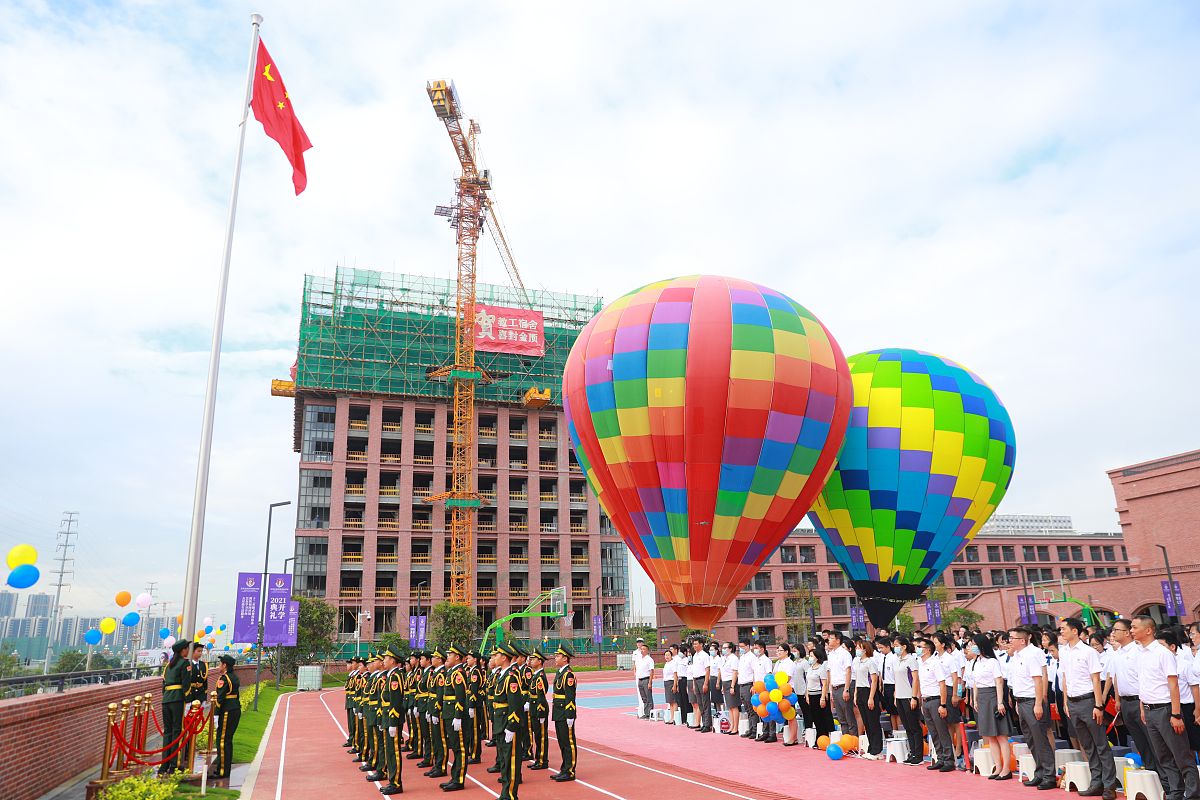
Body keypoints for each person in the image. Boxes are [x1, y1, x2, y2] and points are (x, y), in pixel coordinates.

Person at [1132, 615, 1200, 800]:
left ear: (1148, 630)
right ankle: (1176, 792)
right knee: (1163, 756)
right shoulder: (1140, 654)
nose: (1131, 630)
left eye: (1134, 627)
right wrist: (1142, 708)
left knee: (1182, 755)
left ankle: (1193, 794)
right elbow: (1143, 684)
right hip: (1149, 710)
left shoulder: (1163, 653)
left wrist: (1176, 714)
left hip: (1166, 710)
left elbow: (1173, 685)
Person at [1058, 618, 1117, 799]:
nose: (1061, 632)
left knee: (1100, 744)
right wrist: (1066, 702)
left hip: (1088, 701)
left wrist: (1099, 705)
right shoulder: (1064, 651)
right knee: (1087, 745)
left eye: (1063, 629)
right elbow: (1065, 677)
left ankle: (1109, 786)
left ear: (1075, 631)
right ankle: (1096, 782)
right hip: (1072, 703)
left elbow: (1095, 679)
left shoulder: (1088, 652)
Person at [1007, 627, 1055, 790]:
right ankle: (1040, 773)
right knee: (1031, 739)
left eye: (1012, 638)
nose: (1009, 641)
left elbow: (1038, 681)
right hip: (1021, 701)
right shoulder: (1017, 655)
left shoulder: (1032, 653)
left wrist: (1038, 703)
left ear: (1022, 640)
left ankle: (1049, 775)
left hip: (1032, 701)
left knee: (1040, 739)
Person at [966, 634, 1012, 780]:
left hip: (993, 696)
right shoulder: (976, 662)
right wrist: (975, 699)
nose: (971, 647)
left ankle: (1006, 768)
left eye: (973, 644)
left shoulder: (992, 661)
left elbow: (999, 681)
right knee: (990, 736)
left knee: (1001, 735)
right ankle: (997, 766)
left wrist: (999, 702)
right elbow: (975, 682)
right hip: (982, 698)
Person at [913, 637, 954, 772]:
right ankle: (940, 758)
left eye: (920, 647)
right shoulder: (920, 663)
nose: (918, 649)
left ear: (928, 649)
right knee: (933, 732)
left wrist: (943, 704)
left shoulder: (935, 663)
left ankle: (949, 760)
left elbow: (942, 684)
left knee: (942, 731)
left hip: (936, 700)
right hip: (925, 700)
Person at [493, 644, 528, 799]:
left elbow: (515, 704)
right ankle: (505, 793)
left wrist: (512, 726)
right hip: (501, 723)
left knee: (511, 761)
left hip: (508, 724)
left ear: (504, 658)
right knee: (504, 762)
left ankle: (511, 795)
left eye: (497, 655)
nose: (494, 658)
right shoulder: (503, 675)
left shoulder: (511, 677)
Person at [160, 639, 193, 774]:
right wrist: (188, 699)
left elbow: (163, 684)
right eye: (187, 648)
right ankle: (174, 764)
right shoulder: (185, 664)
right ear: (182, 650)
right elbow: (186, 684)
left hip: (166, 699)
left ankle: (164, 764)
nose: (188, 651)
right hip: (178, 699)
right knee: (177, 731)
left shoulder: (168, 665)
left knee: (167, 732)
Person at [891, 636, 923, 765]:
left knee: (914, 726)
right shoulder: (897, 660)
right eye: (894, 645)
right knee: (907, 727)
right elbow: (896, 680)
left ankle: (918, 755)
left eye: (897, 645)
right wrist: (895, 695)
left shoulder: (911, 660)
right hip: (899, 696)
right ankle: (912, 753)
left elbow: (915, 679)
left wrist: (914, 696)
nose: (895, 648)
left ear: (904, 646)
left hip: (909, 696)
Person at [209, 654, 240, 780]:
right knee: (228, 741)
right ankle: (225, 769)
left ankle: (222, 771)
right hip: (235, 709)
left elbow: (219, 698)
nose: (218, 666)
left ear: (225, 665)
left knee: (222, 741)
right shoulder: (234, 677)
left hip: (226, 711)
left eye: (220, 664)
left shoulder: (224, 678)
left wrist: (216, 714)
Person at [379, 645, 405, 795]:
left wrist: (393, 722)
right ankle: (392, 780)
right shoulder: (391, 675)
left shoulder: (395, 676)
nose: (384, 661)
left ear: (393, 661)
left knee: (394, 751)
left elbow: (395, 701)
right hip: (388, 717)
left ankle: (396, 783)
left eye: (386, 658)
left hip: (392, 718)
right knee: (390, 751)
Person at [551, 643, 577, 783]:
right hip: (558, 712)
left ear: (565, 659)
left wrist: (570, 715)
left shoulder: (568, 675)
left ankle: (570, 770)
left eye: (558, 656)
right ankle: (564, 768)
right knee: (562, 741)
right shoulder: (560, 673)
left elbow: (570, 696)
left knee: (568, 742)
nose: (556, 658)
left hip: (566, 713)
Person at [852, 638, 883, 758]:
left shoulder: (870, 662)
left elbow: (874, 680)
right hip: (860, 691)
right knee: (866, 722)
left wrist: (871, 697)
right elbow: (857, 680)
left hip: (869, 691)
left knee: (873, 721)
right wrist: (855, 695)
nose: (857, 650)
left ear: (865, 649)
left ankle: (877, 750)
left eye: (859, 648)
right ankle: (871, 748)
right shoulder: (857, 662)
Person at [827, 630, 857, 737]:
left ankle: (854, 742)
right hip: (834, 688)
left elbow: (848, 671)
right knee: (841, 718)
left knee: (849, 717)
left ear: (838, 640)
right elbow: (830, 672)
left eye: (831, 638)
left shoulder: (844, 654)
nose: (829, 640)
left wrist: (847, 689)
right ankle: (846, 740)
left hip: (843, 687)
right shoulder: (830, 654)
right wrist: (830, 689)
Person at [804, 641, 835, 742]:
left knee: (822, 717)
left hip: (819, 694)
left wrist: (823, 697)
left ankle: (824, 736)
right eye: (809, 656)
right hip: (811, 694)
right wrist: (807, 695)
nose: (810, 658)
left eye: (812, 656)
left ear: (817, 657)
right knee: (815, 717)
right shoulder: (809, 669)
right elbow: (808, 683)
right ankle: (819, 737)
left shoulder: (821, 669)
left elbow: (824, 684)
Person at [527, 647, 550, 771]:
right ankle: (538, 759)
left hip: (539, 708)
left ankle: (542, 760)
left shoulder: (540, 676)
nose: (530, 661)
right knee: (537, 735)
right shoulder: (536, 675)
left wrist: (541, 711)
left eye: (533, 659)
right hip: (534, 706)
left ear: (540, 661)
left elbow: (541, 695)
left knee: (541, 736)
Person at [688, 638, 713, 733]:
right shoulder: (695, 656)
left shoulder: (705, 655)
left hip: (703, 680)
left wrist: (706, 683)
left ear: (701, 644)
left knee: (705, 702)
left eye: (696, 644)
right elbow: (695, 671)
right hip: (696, 679)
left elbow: (707, 670)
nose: (694, 646)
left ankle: (707, 724)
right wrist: (694, 684)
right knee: (700, 703)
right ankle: (703, 723)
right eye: (693, 644)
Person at [719, 642, 739, 733]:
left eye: (725, 648)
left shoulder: (734, 658)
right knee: (729, 706)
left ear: (730, 649)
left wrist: (732, 686)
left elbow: (735, 672)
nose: (723, 649)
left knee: (734, 706)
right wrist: (723, 686)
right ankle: (731, 726)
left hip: (731, 682)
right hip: (725, 682)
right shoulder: (723, 658)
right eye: (722, 648)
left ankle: (736, 727)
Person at [633, 642, 655, 719]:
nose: (642, 650)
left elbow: (652, 671)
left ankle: (650, 713)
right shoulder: (639, 659)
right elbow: (636, 667)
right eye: (641, 649)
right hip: (640, 679)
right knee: (644, 697)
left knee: (648, 697)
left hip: (646, 679)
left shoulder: (649, 659)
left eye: (644, 649)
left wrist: (650, 682)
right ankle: (646, 713)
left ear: (647, 651)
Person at [662, 647, 679, 725]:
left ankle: (674, 718)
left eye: (668, 655)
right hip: (666, 683)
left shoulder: (673, 663)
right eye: (665, 655)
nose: (666, 656)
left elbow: (675, 675)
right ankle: (671, 717)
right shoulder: (666, 664)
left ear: (671, 656)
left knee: (674, 701)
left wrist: (675, 685)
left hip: (671, 682)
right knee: (670, 702)